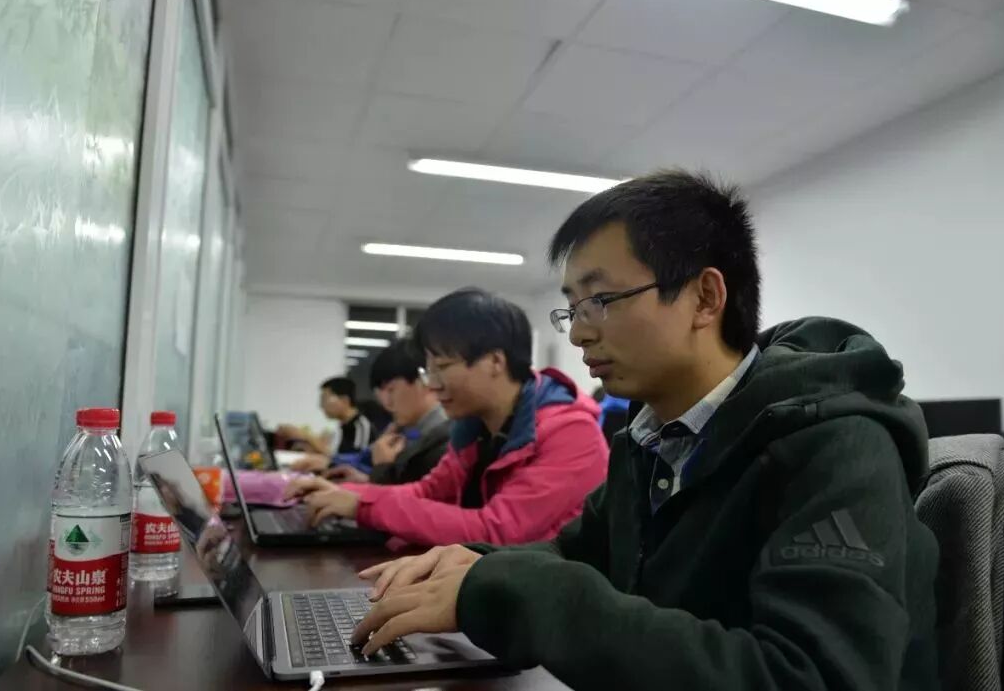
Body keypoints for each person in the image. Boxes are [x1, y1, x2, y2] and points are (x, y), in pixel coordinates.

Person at [347, 170, 939, 690]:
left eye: (601, 299)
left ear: (705, 298)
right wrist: (474, 566)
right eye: (573, 307)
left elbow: (810, 677)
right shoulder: (650, 439)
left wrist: (524, 594)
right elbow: (577, 553)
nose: (579, 333)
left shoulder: (835, 445)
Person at [284, 288, 609, 547]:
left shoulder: (571, 432)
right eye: (429, 370)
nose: (433, 384)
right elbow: (426, 491)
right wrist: (347, 494)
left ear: (495, 362)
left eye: (441, 367)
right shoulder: (475, 428)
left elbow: (497, 531)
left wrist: (363, 507)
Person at [326, 338, 451, 485]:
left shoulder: (440, 437)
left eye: (391, 390)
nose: (387, 404)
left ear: (424, 381)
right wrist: (367, 481)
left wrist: (382, 468)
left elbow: (417, 497)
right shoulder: (413, 430)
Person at [283, 377, 374, 473]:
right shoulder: (340, 428)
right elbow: (333, 455)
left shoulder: (360, 426)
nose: (321, 405)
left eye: (324, 399)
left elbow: (351, 463)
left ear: (345, 401)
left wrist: (306, 436)